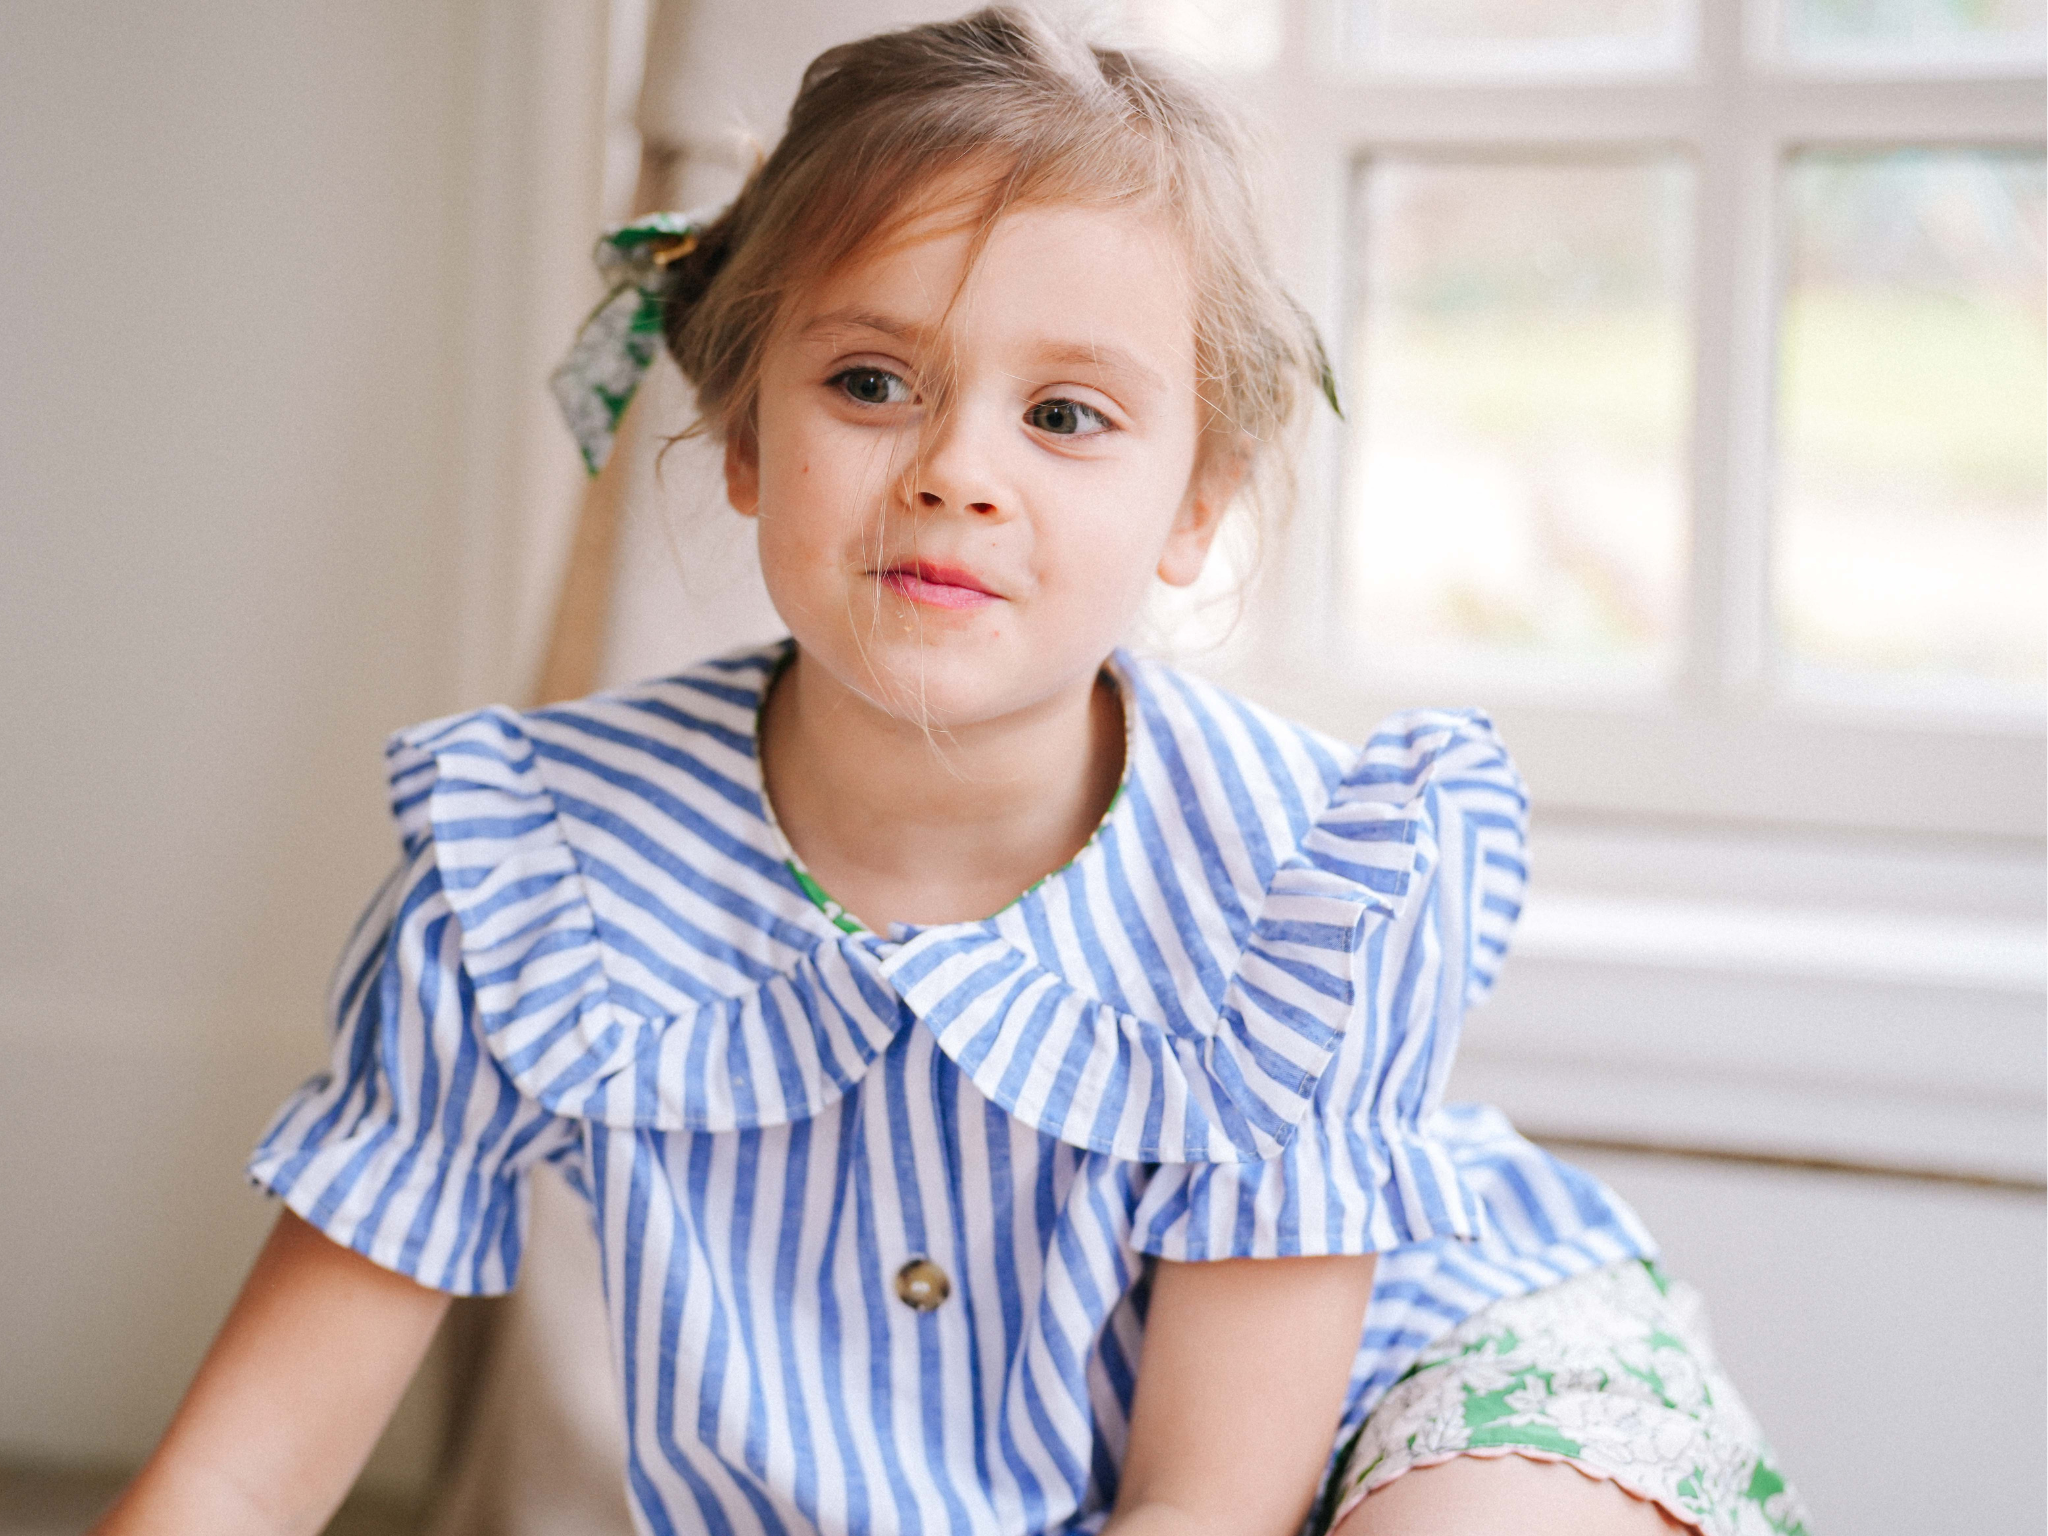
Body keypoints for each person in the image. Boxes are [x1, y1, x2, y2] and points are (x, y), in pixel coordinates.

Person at [94, 10, 1810, 1535]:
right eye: (871, 381)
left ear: (1195, 502)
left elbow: (1207, 1500)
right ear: (749, 440)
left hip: (1420, 1378)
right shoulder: (537, 875)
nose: (954, 473)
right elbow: (243, 1478)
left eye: (1065, 416)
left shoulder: (1300, 880)